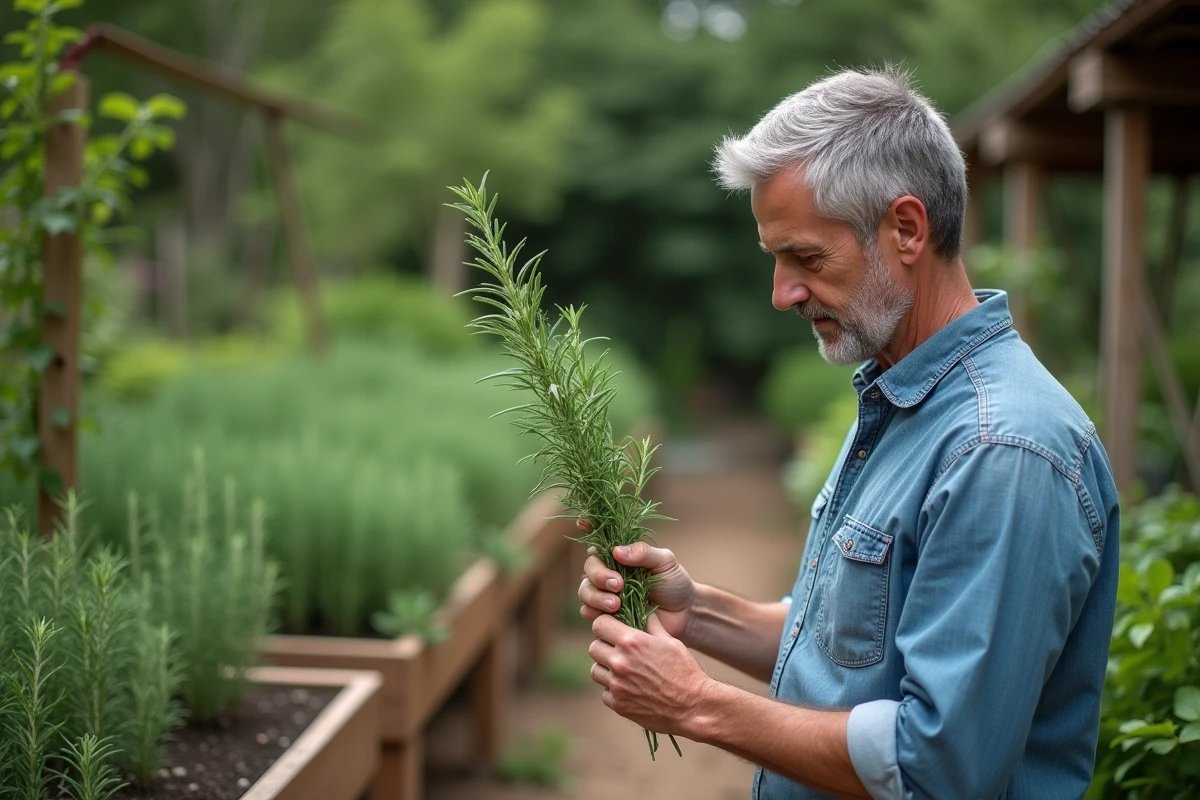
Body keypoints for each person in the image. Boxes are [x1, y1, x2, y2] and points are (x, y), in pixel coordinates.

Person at [576, 67, 1120, 800]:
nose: (782, 294)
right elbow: (848, 654)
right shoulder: (904, 402)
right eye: (775, 260)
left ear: (906, 228)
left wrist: (697, 705)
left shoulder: (1000, 450)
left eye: (806, 258)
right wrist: (695, 611)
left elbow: (940, 764)